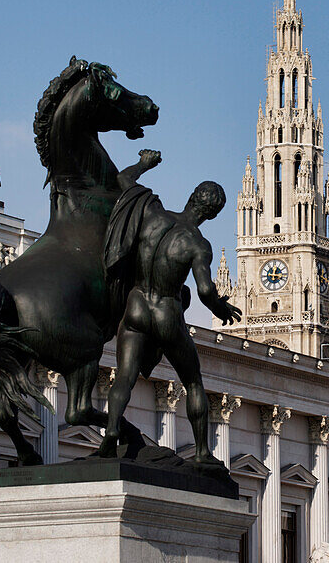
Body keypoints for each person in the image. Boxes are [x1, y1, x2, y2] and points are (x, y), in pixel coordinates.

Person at [98, 149, 241, 466]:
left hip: (135, 304)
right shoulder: (197, 244)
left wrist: (143, 165)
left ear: (191, 197)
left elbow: (122, 180)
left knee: (124, 378)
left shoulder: (153, 213)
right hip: (166, 312)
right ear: (213, 214)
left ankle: (110, 435)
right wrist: (219, 307)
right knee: (192, 382)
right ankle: (203, 452)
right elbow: (204, 291)